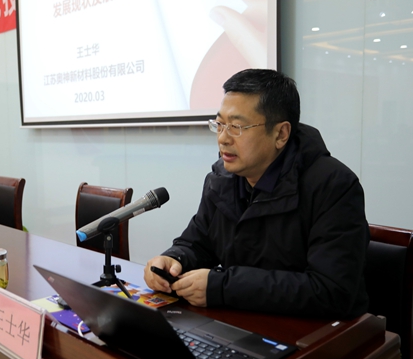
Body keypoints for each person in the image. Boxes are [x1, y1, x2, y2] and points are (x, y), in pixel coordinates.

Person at [144, 69, 369, 318]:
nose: (223, 138)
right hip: (245, 320)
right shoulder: (221, 179)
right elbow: (197, 244)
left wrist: (222, 287)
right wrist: (174, 260)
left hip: (316, 331)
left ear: (281, 134)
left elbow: (330, 291)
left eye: (237, 127)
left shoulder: (334, 185)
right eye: (219, 124)